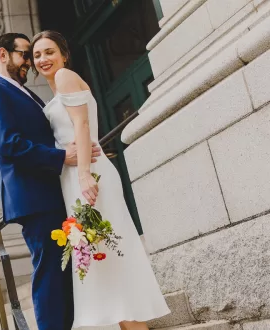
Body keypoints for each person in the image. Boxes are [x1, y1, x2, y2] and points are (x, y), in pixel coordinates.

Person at [30, 30, 171, 330]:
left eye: (49, 52)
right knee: (99, 260)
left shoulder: (67, 76)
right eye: (37, 55)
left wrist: (83, 175)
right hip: (74, 179)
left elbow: (81, 124)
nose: (43, 59)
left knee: (108, 258)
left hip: (88, 176)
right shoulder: (56, 91)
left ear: (64, 55)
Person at [0, 33, 101, 330]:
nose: (29, 63)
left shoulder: (25, 92)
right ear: (3, 54)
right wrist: (61, 157)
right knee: (50, 275)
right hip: (34, 197)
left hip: (53, 191)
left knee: (65, 272)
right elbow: (9, 144)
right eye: (25, 55)